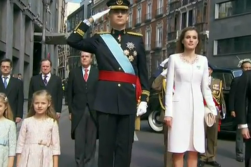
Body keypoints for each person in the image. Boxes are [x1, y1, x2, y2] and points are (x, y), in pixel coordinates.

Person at [66, 0, 150, 166]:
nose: (120, 14)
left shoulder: (137, 40)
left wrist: (145, 99)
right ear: (109, 15)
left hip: (127, 100)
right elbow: (73, 40)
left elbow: (143, 72)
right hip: (105, 101)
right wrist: (89, 21)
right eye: (115, 11)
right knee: (105, 148)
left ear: (128, 16)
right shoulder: (100, 39)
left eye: (123, 12)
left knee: (124, 148)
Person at [164, 27, 217, 167]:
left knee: (194, 149)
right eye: (188, 37)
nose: (191, 40)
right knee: (178, 149)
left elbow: (205, 88)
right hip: (178, 108)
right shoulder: (174, 59)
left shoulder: (203, 60)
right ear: (182, 40)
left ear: (198, 41)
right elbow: (169, 89)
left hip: (197, 109)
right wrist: (168, 113)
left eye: (194, 37)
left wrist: (213, 109)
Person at [67, 51, 99, 167]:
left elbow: (101, 93)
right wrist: (70, 111)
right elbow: (69, 93)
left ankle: (89, 164)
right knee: (79, 142)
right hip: (78, 111)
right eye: (82, 56)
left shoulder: (97, 73)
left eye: (87, 56)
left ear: (91, 59)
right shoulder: (74, 72)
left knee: (91, 141)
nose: (84, 58)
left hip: (93, 112)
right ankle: (79, 164)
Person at [16, 90, 60, 167]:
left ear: (48, 104)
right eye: (36, 103)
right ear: (33, 104)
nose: (39, 106)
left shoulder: (52, 122)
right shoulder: (27, 121)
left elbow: (56, 148)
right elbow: (20, 145)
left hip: (45, 159)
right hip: (28, 159)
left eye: (43, 103)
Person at [199, 65, 226, 167]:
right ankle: (202, 156)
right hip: (201, 110)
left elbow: (221, 98)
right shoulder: (198, 81)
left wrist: (223, 111)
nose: (207, 71)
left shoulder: (217, 82)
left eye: (208, 69)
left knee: (213, 135)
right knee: (201, 135)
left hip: (214, 111)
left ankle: (211, 157)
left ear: (211, 71)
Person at [228, 60, 251, 162]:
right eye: (245, 67)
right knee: (240, 133)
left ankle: (250, 153)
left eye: (249, 68)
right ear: (242, 69)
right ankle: (240, 153)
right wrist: (232, 109)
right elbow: (232, 95)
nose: (247, 69)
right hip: (240, 109)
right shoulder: (237, 80)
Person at [0, 58, 24, 123]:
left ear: (11, 68)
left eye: (7, 67)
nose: (5, 68)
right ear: (0, 68)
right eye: (3, 67)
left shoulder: (18, 82)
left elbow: (20, 99)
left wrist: (19, 115)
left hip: (12, 114)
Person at [152, 58, 173, 167]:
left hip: (182, 114)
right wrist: (163, 74)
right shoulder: (164, 81)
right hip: (168, 114)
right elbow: (155, 86)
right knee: (169, 144)